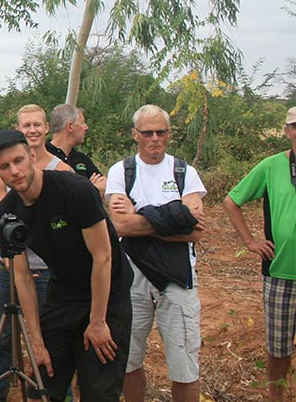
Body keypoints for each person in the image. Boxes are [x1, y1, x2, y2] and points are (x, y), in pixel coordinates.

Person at [0, 129, 132, 402]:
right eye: (4, 167)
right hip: (62, 293)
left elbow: (103, 257)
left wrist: (98, 321)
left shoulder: (76, 190)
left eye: (18, 160)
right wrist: (36, 342)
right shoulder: (8, 209)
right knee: (43, 384)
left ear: (32, 156)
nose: (14, 171)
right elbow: (22, 276)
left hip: (107, 294)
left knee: (98, 390)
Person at [105, 104, 206, 402]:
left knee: (184, 364)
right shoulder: (121, 171)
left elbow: (197, 230)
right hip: (131, 274)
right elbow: (120, 224)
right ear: (135, 134)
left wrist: (140, 213)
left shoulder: (184, 172)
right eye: (147, 133)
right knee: (128, 358)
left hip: (178, 276)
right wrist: (175, 216)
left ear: (169, 134)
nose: (154, 139)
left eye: (161, 132)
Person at [0, 104, 72, 402]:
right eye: (26, 125)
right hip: (12, 268)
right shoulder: (4, 173)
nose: (32, 130)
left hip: (51, 272)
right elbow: (2, 220)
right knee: (6, 335)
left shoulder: (63, 171)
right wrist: (11, 263)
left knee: (52, 340)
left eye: (37, 124)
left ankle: (51, 394)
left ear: (47, 128)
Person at [223, 106, 296, 402]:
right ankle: (275, 397)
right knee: (279, 348)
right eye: (295, 126)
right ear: (287, 130)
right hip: (280, 272)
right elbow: (231, 201)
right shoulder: (271, 166)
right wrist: (251, 241)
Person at [45, 104, 106, 194]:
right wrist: (90, 188)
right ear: (70, 126)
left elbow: (103, 184)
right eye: (82, 123)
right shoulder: (43, 155)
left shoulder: (82, 159)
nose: (86, 127)